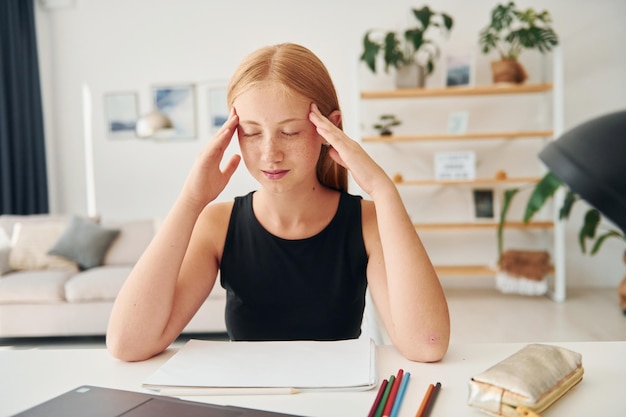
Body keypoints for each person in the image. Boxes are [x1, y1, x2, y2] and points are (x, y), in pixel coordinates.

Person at [106, 43, 450, 363]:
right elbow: (128, 344)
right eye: (252, 132)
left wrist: (383, 190)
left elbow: (427, 344)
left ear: (331, 129)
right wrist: (190, 200)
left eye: (290, 131)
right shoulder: (217, 225)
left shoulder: (367, 221)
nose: (270, 153)